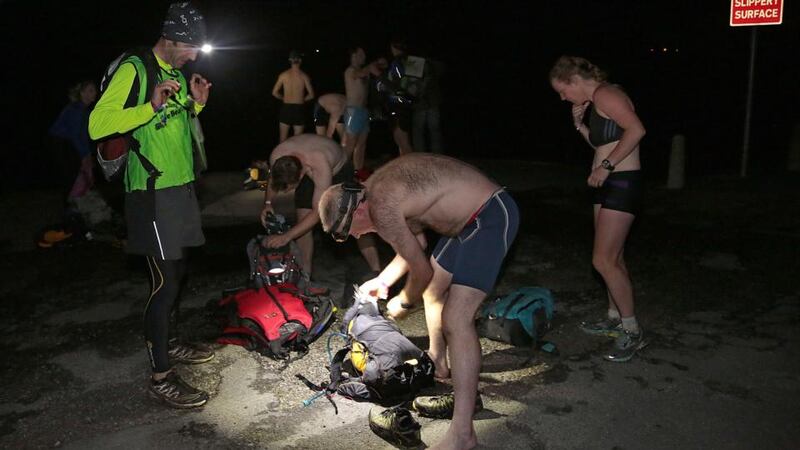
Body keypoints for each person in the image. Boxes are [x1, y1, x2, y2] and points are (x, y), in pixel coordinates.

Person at [319, 153, 519, 450]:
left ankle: (463, 435)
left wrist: (403, 301)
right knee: (435, 291)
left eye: (349, 232)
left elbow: (420, 270)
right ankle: (438, 360)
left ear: (356, 212)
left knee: (456, 319)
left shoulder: (382, 208)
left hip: (490, 215)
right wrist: (383, 282)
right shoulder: (377, 193)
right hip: (466, 223)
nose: (357, 236)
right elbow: (416, 248)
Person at [88, 2, 214, 408]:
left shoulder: (174, 73)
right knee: (163, 284)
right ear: (172, 37)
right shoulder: (136, 70)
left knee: (179, 272)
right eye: (190, 47)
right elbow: (97, 124)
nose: (194, 55)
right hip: (151, 193)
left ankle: (171, 342)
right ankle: (160, 377)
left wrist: (195, 104)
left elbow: (172, 123)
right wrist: (150, 105)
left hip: (180, 189)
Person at [549, 55, 647, 362]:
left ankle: (632, 331)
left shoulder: (607, 93)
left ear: (575, 80)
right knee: (612, 257)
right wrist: (579, 124)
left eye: (563, 90)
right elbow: (602, 143)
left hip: (622, 182)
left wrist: (606, 166)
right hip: (607, 182)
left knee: (603, 260)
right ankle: (613, 316)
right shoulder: (595, 102)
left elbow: (636, 130)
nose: (563, 97)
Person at [260, 134, 381, 278]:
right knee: (302, 221)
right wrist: (267, 204)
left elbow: (318, 212)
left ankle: (376, 271)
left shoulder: (319, 164)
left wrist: (286, 236)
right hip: (307, 165)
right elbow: (274, 179)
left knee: (357, 220)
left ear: (300, 175)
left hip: (339, 170)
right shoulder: (278, 156)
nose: (286, 192)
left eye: (289, 188)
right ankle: (305, 275)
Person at [49, 80, 98, 209]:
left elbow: (84, 135)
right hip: (62, 143)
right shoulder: (75, 109)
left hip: (70, 143)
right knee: (71, 175)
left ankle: (77, 204)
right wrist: (84, 155)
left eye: (94, 90)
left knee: (80, 173)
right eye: (90, 90)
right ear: (82, 93)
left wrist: (88, 154)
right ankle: (69, 207)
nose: (94, 93)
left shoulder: (85, 110)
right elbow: (75, 135)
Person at [343, 46, 384, 177]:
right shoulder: (350, 71)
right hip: (352, 112)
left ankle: (358, 171)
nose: (364, 57)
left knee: (361, 144)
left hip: (364, 111)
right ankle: (340, 172)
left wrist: (379, 64)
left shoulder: (364, 72)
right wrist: (374, 64)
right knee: (350, 145)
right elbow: (360, 73)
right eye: (361, 54)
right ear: (354, 56)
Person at [272, 50, 315, 142]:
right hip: (299, 109)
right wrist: (302, 99)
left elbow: (274, 93)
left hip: (286, 108)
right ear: (300, 60)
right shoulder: (304, 76)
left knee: (282, 139)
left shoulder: (283, 75)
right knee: (297, 141)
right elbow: (311, 95)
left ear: (290, 60)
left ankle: (282, 156)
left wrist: (283, 98)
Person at [411, 58, 444, 153]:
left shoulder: (416, 61)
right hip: (428, 102)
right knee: (433, 132)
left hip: (425, 103)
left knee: (421, 132)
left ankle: (425, 157)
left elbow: (413, 85)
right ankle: (435, 156)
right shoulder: (433, 63)